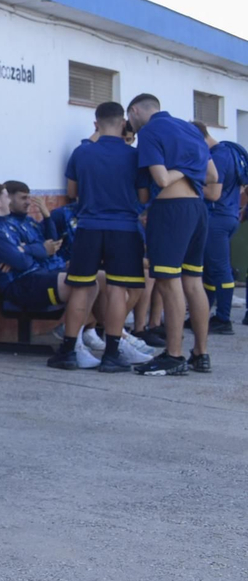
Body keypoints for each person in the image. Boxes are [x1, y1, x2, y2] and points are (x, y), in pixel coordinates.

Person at [50, 104, 154, 372]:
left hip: (88, 227)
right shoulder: (135, 156)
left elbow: (72, 192)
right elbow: (143, 196)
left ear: (95, 123)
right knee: (119, 290)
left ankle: (68, 351)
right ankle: (111, 353)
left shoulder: (82, 152)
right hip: (125, 229)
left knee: (81, 288)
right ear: (123, 123)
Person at [126, 94, 217, 375]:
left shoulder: (149, 131)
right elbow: (212, 176)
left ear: (135, 111)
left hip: (171, 211)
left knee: (168, 281)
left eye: (129, 118)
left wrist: (181, 171)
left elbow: (161, 179)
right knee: (194, 282)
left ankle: (174, 355)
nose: (130, 124)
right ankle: (201, 354)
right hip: (198, 209)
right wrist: (189, 171)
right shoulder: (190, 129)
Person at [0, 182, 93, 359]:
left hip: (35, 275)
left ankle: (79, 339)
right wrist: (31, 252)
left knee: (93, 280)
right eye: (6, 197)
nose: (9, 201)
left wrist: (25, 249)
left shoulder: (5, 224)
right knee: (81, 285)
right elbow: (22, 262)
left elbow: (36, 250)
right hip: (19, 286)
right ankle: (71, 346)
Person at [192, 120, 245, 334]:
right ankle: (202, 315)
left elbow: (214, 193)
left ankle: (223, 319)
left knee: (220, 270)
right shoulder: (229, 152)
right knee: (210, 270)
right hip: (228, 216)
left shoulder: (218, 157)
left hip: (218, 219)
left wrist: (187, 183)